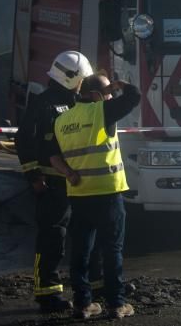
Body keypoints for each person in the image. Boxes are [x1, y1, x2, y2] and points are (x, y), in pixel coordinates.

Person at [50, 72, 140, 320]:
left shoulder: (62, 120)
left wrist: (69, 173)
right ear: (97, 94)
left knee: (80, 251)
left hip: (79, 194)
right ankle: (116, 304)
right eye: (108, 92)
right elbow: (135, 96)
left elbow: (52, 156)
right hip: (108, 193)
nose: (111, 96)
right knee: (112, 250)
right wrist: (121, 84)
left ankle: (82, 304)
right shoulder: (102, 111)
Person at [15, 50, 93, 312]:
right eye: (83, 78)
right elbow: (23, 140)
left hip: (79, 181)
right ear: (71, 78)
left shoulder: (77, 102)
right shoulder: (44, 103)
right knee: (53, 238)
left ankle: (95, 284)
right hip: (52, 183)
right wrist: (33, 176)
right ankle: (47, 293)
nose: (84, 83)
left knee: (86, 236)